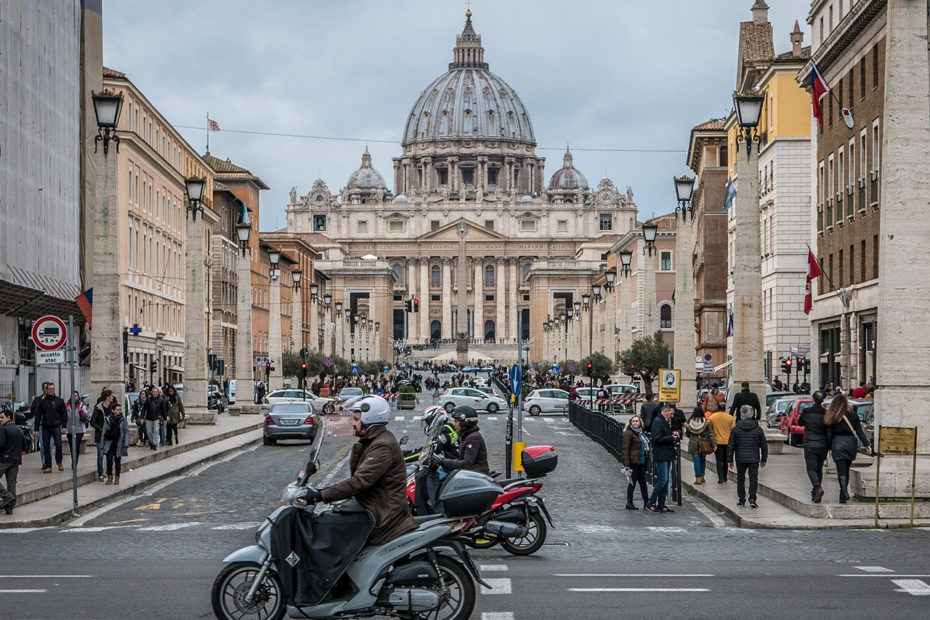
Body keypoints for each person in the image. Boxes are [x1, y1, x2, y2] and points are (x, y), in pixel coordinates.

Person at [311, 396, 417, 546]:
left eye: (356, 419)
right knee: (331, 518)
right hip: (373, 505)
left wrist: (321, 495)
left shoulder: (382, 446)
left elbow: (359, 482)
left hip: (382, 514)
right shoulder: (375, 440)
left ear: (369, 419)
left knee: (329, 527)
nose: (353, 423)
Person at [825, 394, 872, 503]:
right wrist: (867, 445)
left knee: (841, 470)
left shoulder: (832, 416)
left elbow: (829, 434)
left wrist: (829, 448)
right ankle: (843, 493)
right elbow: (859, 431)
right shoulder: (853, 415)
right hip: (850, 443)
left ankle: (844, 492)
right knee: (846, 469)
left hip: (837, 443)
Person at [727, 405, 768, 508]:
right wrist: (764, 459)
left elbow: (731, 445)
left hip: (740, 458)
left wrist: (730, 459)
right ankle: (752, 498)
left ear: (741, 415)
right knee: (753, 478)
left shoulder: (736, 429)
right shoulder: (758, 429)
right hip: (754, 458)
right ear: (753, 415)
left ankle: (741, 499)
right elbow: (764, 445)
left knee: (740, 479)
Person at [437, 405, 490, 475]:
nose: (454, 424)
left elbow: (466, 464)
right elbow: (461, 460)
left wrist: (443, 462)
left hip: (477, 474)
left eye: (456, 421)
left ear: (464, 422)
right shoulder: (466, 436)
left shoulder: (473, 438)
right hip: (471, 473)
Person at [646, 404, 678, 513]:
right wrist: (671, 438)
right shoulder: (658, 421)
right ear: (665, 411)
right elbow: (656, 438)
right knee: (663, 479)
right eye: (671, 413)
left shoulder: (663, 421)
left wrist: (671, 434)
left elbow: (663, 434)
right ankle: (651, 502)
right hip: (661, 454)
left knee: (666, 480)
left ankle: (661, 504)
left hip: (666, 454)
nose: (672, 416)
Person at [799, 390, 829, 503]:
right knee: (818, 468)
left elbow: (800, 423)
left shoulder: (807, 411)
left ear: (813, 400)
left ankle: (817, 487)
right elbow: (828, 429)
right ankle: (815, 492)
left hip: (810, 443)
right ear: (823, 401)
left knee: (811, 468)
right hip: (822, 443)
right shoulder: (825, 413)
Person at [35, 382, 67, 473]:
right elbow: (38, 415)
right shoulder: (42, 402)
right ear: (46, 389)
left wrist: (64, 426)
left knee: (59, 444)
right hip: (45, 427)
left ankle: (59, 461)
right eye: (49, 389)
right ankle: (48, 465)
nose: (51, 390)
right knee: (46, 447)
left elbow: (64, 414)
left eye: (52, 389)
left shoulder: (59, 401)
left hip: (56, 426)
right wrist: (36, 428)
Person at [620, 414, 649, 510]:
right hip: (633, 462)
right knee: (632, 483)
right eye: (633, 421)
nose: (635, 423)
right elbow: (625, 449)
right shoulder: (628, 433)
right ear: (630, 423)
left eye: (637, 421)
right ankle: (629, 502)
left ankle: (646, 502)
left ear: (640, 422)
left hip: (641, 461)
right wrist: (626, 464)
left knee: (643, 483)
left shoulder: (641, 433)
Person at [0, 408, 26, 514]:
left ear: (8, 417)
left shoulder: (3, 429)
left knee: (11, 485)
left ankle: (7, 496)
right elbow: (25, 445)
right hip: (16, 460)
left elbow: (0, 444)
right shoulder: (19, 429)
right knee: (11, 484)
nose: (0, 419)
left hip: (4, 459)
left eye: (2, 417)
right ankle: (9, 508)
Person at [685, 408, 716, 485]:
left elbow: (687, 434)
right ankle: (702, 476)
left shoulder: (690, 422)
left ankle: (698, 478)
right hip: (703, 443)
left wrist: (692, 437)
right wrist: (714, 444)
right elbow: (710, 434)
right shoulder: (705, 422)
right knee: (702, 460)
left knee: (696, 461)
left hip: (693, 443)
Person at [101, 403, 130, 485]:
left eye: (120, 409)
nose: (119, 411)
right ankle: (109, 477)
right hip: (110, 442)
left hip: (119, 443)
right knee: (109, 460)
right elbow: (104, 432)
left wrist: (126, 443)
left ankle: (117, 477)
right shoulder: (108, 419)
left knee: (118, 460)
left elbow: (127, 432)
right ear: (113, 410)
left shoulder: (123, 419)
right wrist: (102, 444)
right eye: (117, 409)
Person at [707, 403, 735, 484]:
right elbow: (733, 430)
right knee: (726, 460)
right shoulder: (730, 418)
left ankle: (720, 478)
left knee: (719, 460)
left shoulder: (712, 417)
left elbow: (710, 430)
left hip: (717, 442)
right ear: (725, 408)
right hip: (727, 442)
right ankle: (725, 477)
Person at [90, 389, 113, 481]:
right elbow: (92, 421)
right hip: (100, 436)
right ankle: (100, 474)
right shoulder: (98, 408)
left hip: (110, 435)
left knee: (111, 455)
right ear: (107, 397)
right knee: (100, 455)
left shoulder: (112, 407)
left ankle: (109, 470)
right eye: (111, 396)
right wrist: (100, 428)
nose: (112, 397)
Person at [65, 391, 90, 468]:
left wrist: (81, 411)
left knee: (76, 446)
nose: (75, 397)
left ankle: (75, 463)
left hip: (79, 429)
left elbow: (88, 417)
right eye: (73, 396)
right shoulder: (67, 406)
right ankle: (73, 459)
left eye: (76, 395)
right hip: (69, 429)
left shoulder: (82, 405)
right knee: (72, 446)